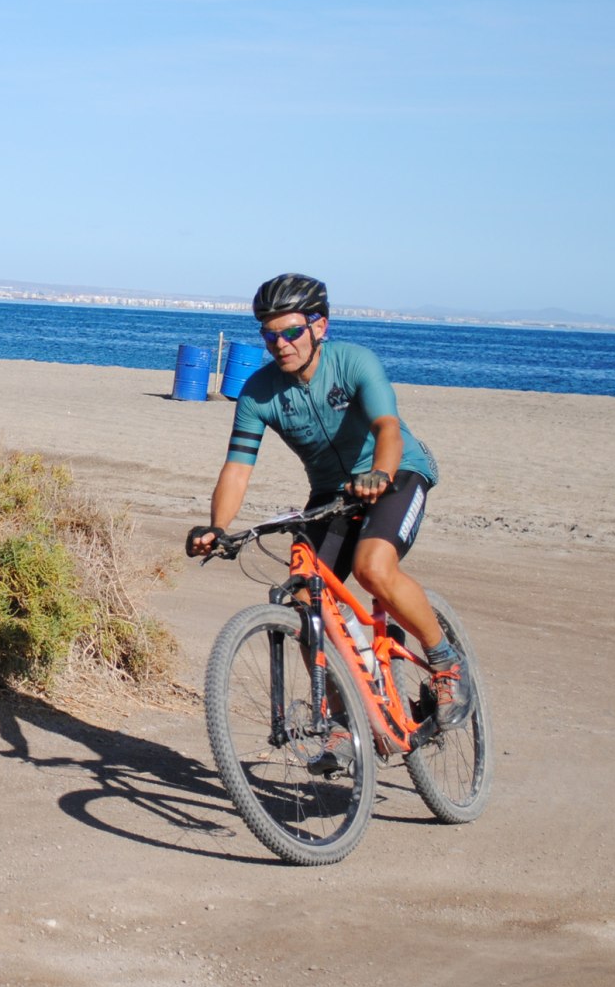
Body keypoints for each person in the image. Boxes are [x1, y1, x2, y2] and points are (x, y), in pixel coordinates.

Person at [186, 272, 474, 727]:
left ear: (319, 326)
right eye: (270, 335)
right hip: (331, 492)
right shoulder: (258, 393)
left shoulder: (354, 362)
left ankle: (445, 663)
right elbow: (238, 467)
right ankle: (342, 719)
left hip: (396, 471)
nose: (280, 344)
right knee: (305, 598)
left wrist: (380, 473)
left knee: (372, 568)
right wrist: (218, 527)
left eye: (291, 332)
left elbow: (387, 427)